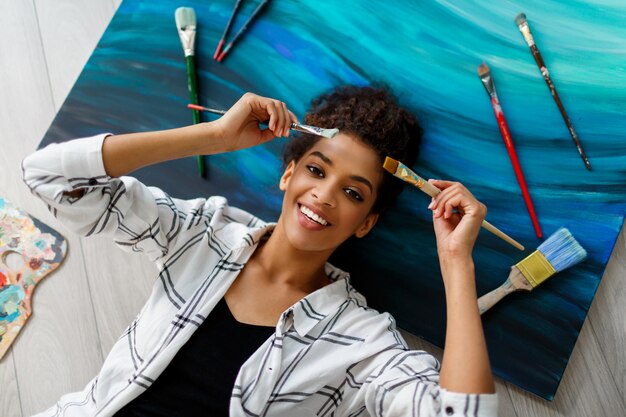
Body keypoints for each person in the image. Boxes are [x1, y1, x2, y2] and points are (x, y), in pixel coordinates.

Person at [23, 85, 497, 416]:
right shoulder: (205, 233)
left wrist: (456, 262)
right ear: (288, 174)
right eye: (316, 170)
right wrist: (213, 138)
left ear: (366, 223)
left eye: (354, 193)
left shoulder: (361, 340)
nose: (325, 195)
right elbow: (47, 177)